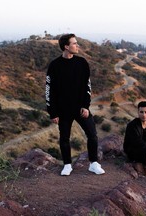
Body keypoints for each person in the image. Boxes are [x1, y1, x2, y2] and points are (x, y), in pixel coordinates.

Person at [45, 33, 105, 176]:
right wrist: (52, 112)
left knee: (92, 135)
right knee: (64, 138)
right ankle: (67, 165)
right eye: (74, 43)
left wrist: (86, 106)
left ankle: (94, 163)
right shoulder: (54, 66)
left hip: (80, 109)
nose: (77, 46)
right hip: (63, 110)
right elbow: (49, 90)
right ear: (66, 46)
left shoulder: (82, 63)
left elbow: (87, 87)